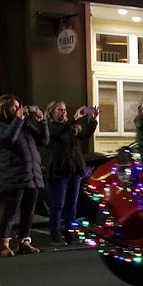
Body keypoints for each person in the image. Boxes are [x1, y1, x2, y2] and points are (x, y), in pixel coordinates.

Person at [0, 94, 49, 256]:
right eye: (14, 107)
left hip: (32, 174)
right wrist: (18, 120)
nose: (18, 109)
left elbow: (43, 140)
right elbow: (8, 139)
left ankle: (25, 241)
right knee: (10, 211)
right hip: (14, 175)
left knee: (28, 212)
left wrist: (42, 121)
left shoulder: (25, 124)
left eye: (18, 106)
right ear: (4, 109)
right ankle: (3, 243)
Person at [44, 100, 98, 245]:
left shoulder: (70, 126)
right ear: (51, 113)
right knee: (58, 204)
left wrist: (93, 121)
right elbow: (57, 133)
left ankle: (70, 233)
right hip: (60, 169)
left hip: (75, 168)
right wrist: (73, 119)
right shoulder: (50, 127)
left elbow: (84, 135)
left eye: (64, 110)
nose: (63, 112)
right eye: (59, 110)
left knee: (72, 204)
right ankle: (55, 235)